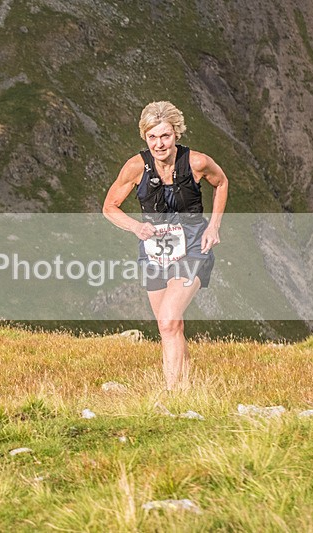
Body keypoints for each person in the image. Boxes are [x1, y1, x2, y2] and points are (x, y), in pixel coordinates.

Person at [102, 101, 229, 390]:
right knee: (168, 325)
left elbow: (221, 183)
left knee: (170, 319)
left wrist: (214, 226)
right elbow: (109, 207)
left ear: (177, 134)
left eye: (165, 136)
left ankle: (171, 394)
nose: (159, 144)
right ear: (145, 137)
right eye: (153, 137)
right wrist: (136, 227)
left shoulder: (196, 162)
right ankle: (185, 390)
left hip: (194, 245)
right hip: (154, 249)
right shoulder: (136, 167)